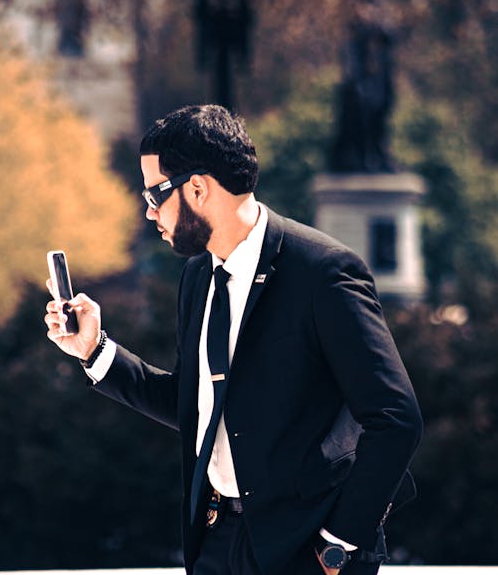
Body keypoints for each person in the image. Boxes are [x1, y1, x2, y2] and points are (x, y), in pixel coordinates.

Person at [45, 104, 422, 575]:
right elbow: (198, 405)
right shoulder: (198, 276)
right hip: (218, 540)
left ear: (197, 187)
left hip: (309, 550)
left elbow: (396, 418)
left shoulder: (322, 272)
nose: (148, 212)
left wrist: (341, 542)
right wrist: (96, 351)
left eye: (154, 195)